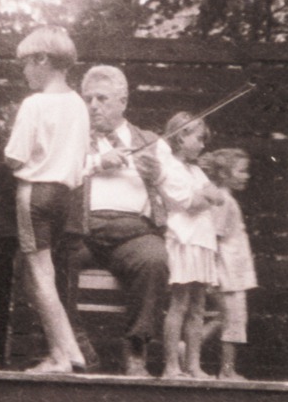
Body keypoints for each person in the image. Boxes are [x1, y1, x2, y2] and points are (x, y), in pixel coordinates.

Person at [70, 64, 197, 377]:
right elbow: (57, 172)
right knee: (56, 258)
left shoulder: (151, 141)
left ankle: (136, 352)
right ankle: (75, 343)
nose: (93, 105)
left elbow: (182, 194)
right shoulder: (73, 138)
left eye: (102, 98)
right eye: (88, 98)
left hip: (133, 233)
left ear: (123, 102)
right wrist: (98, 162)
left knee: (155, 259)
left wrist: (160, 173)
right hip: (83, 228)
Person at [4, 25, 89, 374]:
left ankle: (60, 356)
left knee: (40, 276)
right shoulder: (79, 105)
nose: (23, 72)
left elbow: (14, 157)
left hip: (35, 195)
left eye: (25, 63)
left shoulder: (35, 104)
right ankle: (71, 351)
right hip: (64, 198)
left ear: (42, 60)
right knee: (41, 273)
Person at [159, 113, 224, 380]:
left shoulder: (195, 170)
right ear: (180, 137)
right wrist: (206, 195)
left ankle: (194, 365)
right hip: (183, 241)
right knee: (180, 303)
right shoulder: (169, 168)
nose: (202, 145)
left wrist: (206, 195)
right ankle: (171, 366)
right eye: (198, 138)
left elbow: (217, 197)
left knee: (198, 307)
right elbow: (192, 204)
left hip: (202, 242)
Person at [200, 146, 257, 381]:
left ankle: (193, 347)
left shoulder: (228, 200)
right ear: (224, 174)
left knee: (227, 317)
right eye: (241, 171)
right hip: (227, 271)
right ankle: (226, 370)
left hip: (235, 269)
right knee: (234, 319)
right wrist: (213, 273)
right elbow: (215, 237)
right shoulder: (223, 201)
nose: (247, 175)